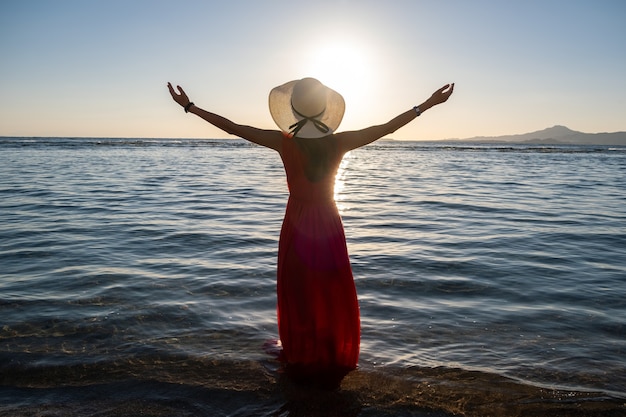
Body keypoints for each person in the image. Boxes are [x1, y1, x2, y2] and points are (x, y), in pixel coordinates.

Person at [168, 78, 454, 388]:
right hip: (328, 222)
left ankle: (302, 354)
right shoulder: (338, 142)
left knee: (300, 290)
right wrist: (426, 104)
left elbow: (232, 127)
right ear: (324, 110)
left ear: (292, 109)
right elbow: (387, 128)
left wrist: (189, 106)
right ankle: (333, 354)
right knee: (330, 290)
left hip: (298, 221)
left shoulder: (284, 142)